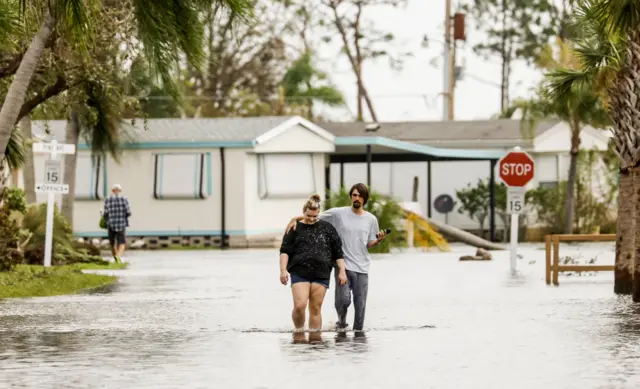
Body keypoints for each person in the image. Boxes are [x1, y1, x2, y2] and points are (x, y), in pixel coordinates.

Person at [284, 183, 387, 332]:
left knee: (360, 304)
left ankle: (358, 335)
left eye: (360, 196)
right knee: (343, 301)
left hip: (362, 266)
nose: (356, 198)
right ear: (351, 196)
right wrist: (295, 218)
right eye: (354, 195)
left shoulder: (371, 219)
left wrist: (378, 240)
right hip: (342, 265)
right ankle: (341, 324)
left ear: (365, 199)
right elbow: (315, 216)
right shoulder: (338, 213)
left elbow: (369, 244)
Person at [279, 194, 348, 334]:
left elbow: (338, 252)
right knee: (300, 305)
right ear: (303, 212)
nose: (311, 219)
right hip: (299, 271)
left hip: (321, 273)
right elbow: (284, 251)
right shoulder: (294, 228)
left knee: (315, 308)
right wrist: (282, 270)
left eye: (314, 216)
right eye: (308, 216)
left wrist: (342, 271)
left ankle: (315, 339)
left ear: (319, 214)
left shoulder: (328, 228)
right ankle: (298, 332)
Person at [103, 184, 131, 263]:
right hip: (121, 223)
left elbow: (105, 213)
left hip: (111, 224)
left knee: (112, 242)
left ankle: (115, 257)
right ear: (120, 191)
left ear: (112, 191)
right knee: (121, 242)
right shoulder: (124, 199)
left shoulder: (108, 199)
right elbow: (128, 212)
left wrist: (107, 219)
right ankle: (118, 257)